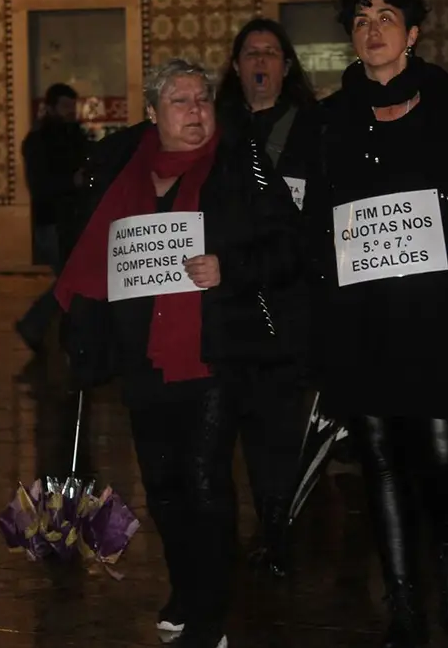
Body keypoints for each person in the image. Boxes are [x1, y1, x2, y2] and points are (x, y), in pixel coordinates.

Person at [53, 58, 302, 648]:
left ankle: (212, 610)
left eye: (204, 101)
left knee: (206, 479)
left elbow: (291, 244)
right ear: (152, 113)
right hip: (143, 353)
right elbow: (88, 242)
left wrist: (229, 268)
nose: (196, 113)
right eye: (181, 102)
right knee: (162, 482)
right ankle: (187, 586)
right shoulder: (122, 163)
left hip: (212, 350)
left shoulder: (242, 163)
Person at [303, 0, 448, 646]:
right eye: (361, 19)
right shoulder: (330, 118)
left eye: (387, 17)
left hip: (436, 317)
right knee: (380, 462)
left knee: (444, 460)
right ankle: (401, 601)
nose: (373, 29)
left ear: (412, 33)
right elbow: (314, 219)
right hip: (360, 322)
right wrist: (330, 263)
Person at [215, 17, 320, 576]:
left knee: (275, 428)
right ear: (236, 67)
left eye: (272, 52)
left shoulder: (312, 127)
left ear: (286, 65)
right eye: (251, 52)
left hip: (289, 299)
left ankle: (274, 534)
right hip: (226, 299)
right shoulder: (214, 126)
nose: (261, 61)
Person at [16, 83, 91, 353]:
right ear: (50, 107)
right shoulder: (39, 141)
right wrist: (71, 181)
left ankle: (41, 329)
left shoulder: (75, 135)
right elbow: (40, 185)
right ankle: (35, 326)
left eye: (73, 107)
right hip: (52, 223)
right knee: (70, 281)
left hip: (72, 221)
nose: (71, 112)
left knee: (71, 281)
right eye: (65, 107)